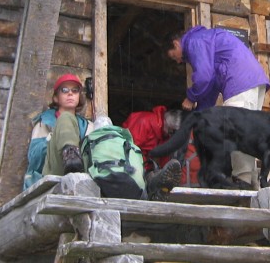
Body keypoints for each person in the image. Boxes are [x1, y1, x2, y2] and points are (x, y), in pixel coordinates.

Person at [23, 74, 182, 200]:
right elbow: (35, 158)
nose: (70, 93)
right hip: (56, 176)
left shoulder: (90, 127)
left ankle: (150, 184)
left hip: (87, 178)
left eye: (75, 90)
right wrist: (57, 139)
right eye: (64, 90)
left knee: (106, 131)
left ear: (80, 96)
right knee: (66, 118)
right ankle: (70, 154)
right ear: (56, 98)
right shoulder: (45, 122)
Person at [167, 26, 270, 187]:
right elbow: (211, 85)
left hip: (240, 80)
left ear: (176, 44)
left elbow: (203, 78)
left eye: (174, 57)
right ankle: (252, 183)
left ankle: (242, 182)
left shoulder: (194, 41)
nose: (179, 61)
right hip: (254, 80)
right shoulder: (206, 40)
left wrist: (190, 97)